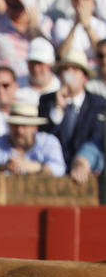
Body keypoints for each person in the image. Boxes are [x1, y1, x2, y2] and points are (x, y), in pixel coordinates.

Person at [38, 48, 105, 183]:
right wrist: (58, 110)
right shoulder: (47, 101)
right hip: (52, 175)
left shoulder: (99, 103)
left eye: (75, 69)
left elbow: (97, 139)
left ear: (84, 78)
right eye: (65, 69)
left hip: (87, 175)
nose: (69, 73)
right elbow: (44, 138)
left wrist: (83, 163)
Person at [0, 100, 66, 174]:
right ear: (9, 125)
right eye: (15, 125)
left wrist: (32, 167)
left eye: (24, 125)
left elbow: (59, 169)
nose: (19, 130)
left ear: (34, 127)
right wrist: (4, 167)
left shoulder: (48, 142)